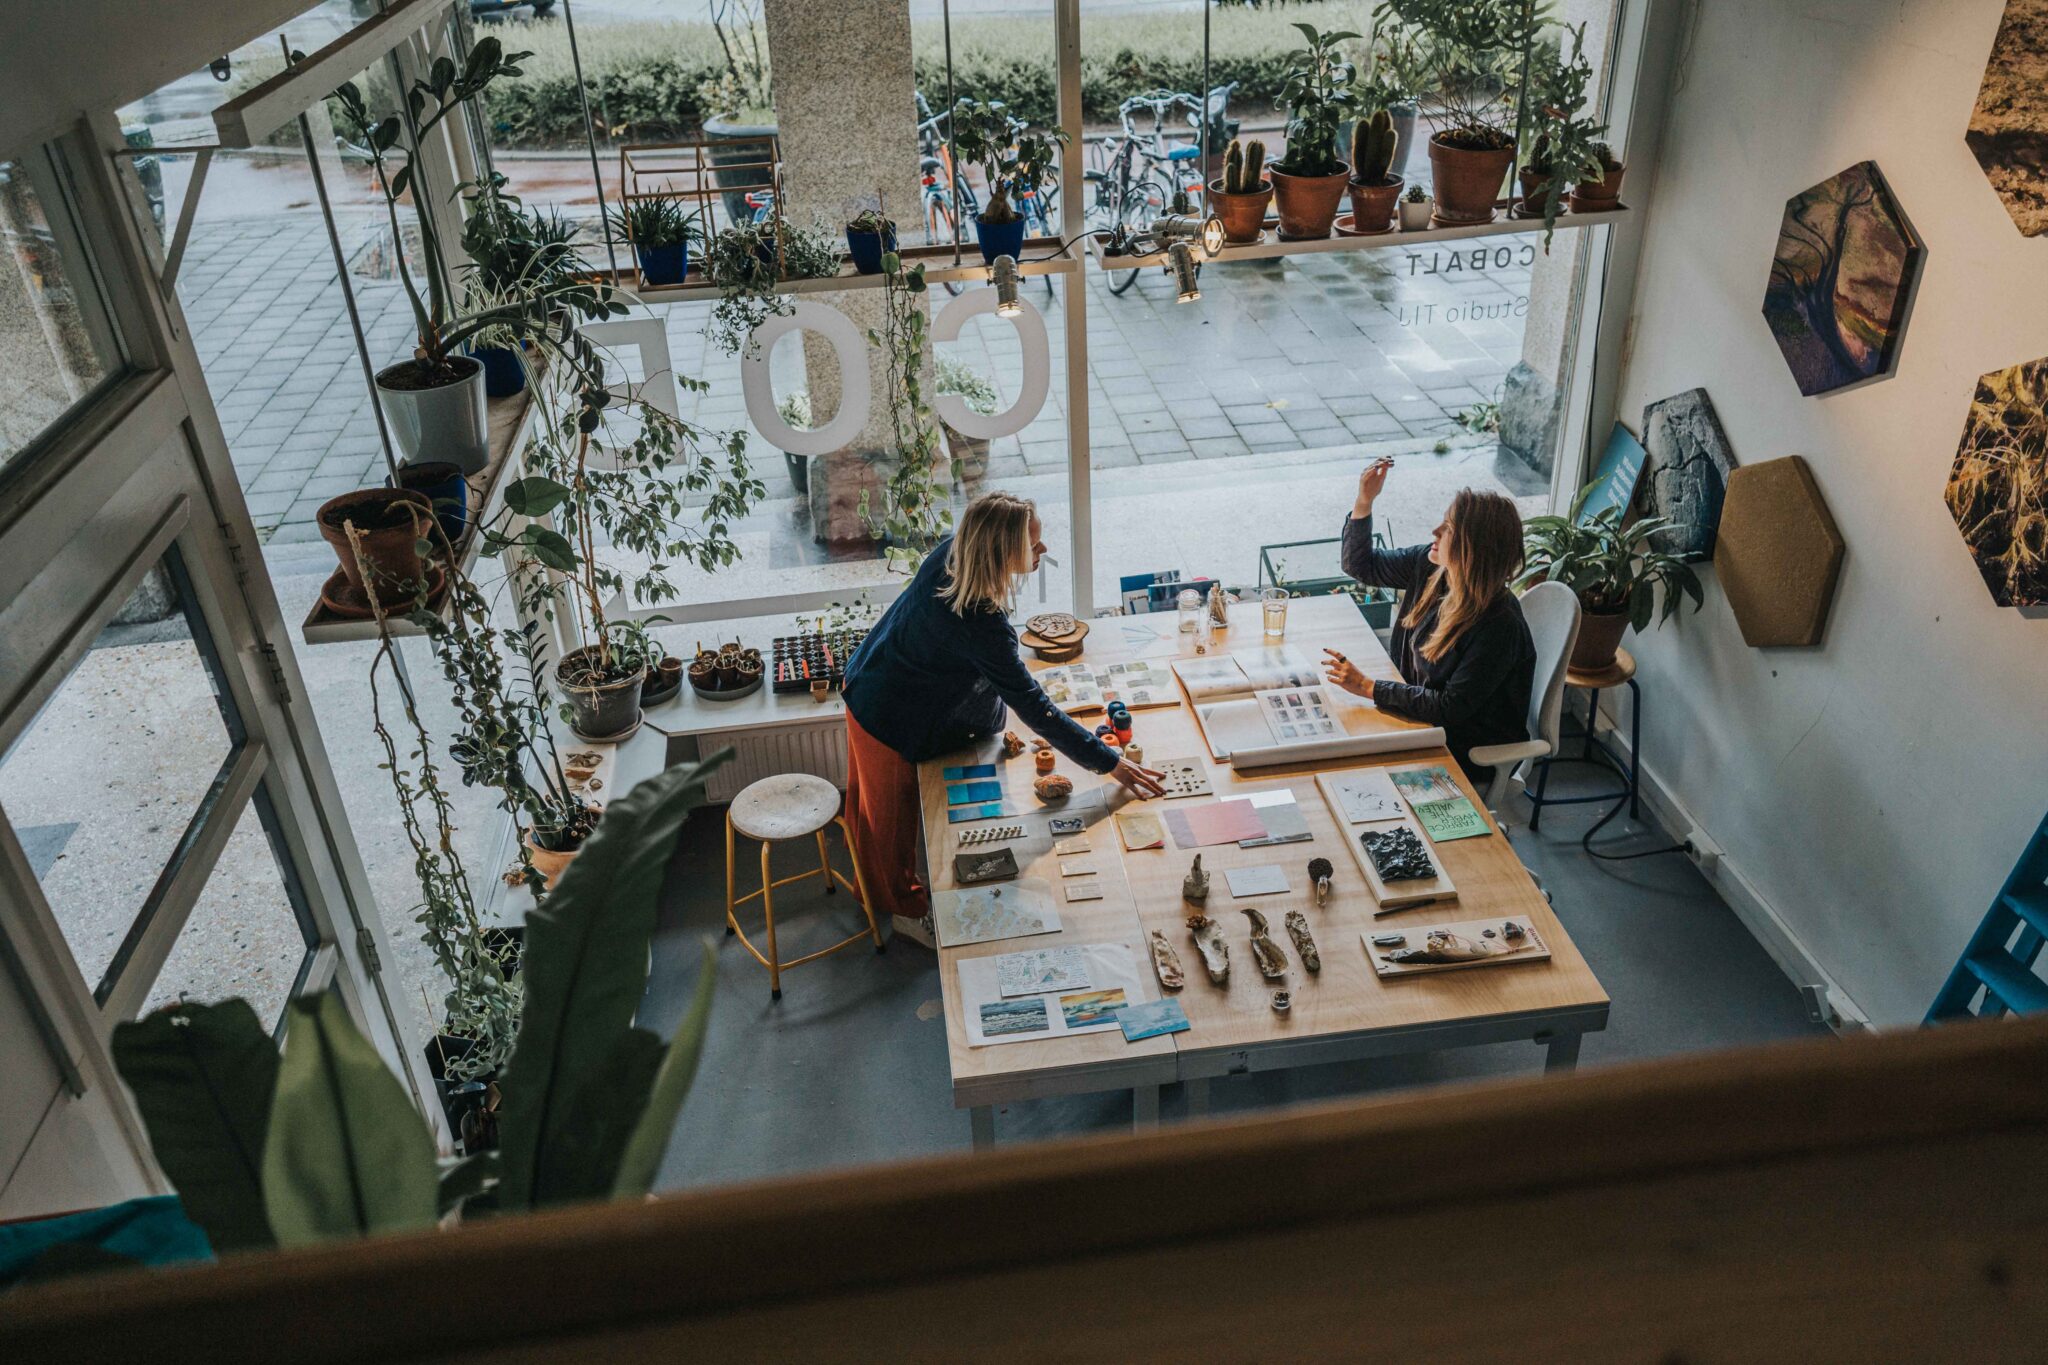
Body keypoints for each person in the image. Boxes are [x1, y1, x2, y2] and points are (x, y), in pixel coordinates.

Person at [842, 492, 1165, 944]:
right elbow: (1033, 706)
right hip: (884, 713)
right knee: (889, 827)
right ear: (1001, 552)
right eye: (1033, 545)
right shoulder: (978, 622)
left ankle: (876, 884)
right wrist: (1108, 762)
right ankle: (904, 911)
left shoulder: (957, 553)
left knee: (871, 814)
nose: (1043, 551)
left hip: (871, 673)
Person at [1323, 457, 1536, 783]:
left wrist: (1369, 687)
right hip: (1415, 718)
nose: (1435, 531)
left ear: (1473, 548)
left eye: (1448, 528)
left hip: (1460, 749)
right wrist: (1364, 501)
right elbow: (1362, 566)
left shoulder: (1499, 625)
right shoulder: (1432, 565)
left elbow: (1450, 708)